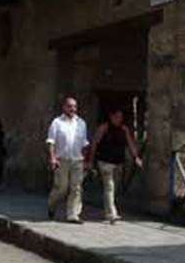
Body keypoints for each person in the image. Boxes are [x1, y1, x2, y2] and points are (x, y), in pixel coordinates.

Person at [89, 108, 143, 223]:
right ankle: (111, 214)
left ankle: (109, 209)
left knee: (115, 187)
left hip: (118, 162)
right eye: (116, 117)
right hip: (105, 161)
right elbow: (94, 143)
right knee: (109, 187)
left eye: (120, 117)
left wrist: (136, 157)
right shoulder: (104, 128)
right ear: (111, 116)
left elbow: (130, 144)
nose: (119, 119)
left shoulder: (124, 129)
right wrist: (91, 160)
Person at [46, 96, 89, 224]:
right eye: (70, 106)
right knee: (62, 188)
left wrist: (85, 160)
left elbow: (84, 143)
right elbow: (51, 142)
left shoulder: (81, 123)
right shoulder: (57, 122)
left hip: (77, 160)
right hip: (62, 159)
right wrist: (52, 158)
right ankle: (51, 204)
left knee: (76, 188)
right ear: (64, 107)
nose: (72, 109)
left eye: (74, 106)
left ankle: (73, 215)